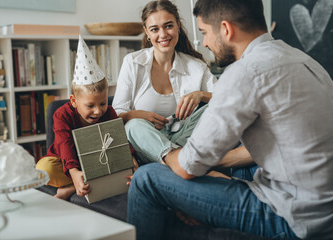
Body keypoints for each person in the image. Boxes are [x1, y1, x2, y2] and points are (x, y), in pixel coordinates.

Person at [127, 0, 333, 239]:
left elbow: (186, 167)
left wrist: (167, 157)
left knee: (146, 178)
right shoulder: (305, 60)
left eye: (204, 32)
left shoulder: (244, 73)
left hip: (294, 216)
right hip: (322, 206)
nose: (203, 42)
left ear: (225, 29)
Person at [112, 0, 217, 164]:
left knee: (213, 108)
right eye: (154, 29)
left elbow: (226, 99)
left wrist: (200, 95)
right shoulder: (132, 63)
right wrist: (139, 115)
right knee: (132, 126)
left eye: (168, 26)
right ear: (146, 32)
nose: (163, 34)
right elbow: (116, 116)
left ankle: (174, 159)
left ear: (178, 26)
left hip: (185, 137)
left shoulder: (197, 66)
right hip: (146, 142)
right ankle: (175, 159)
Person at [36, 36, 136, 200]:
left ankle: (71, 188)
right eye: (90, 106)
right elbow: (65, 145)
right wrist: (75, 173)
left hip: (99, 163)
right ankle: (78, 182)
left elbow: (120, 141)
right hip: (67, 164)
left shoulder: (109, 113)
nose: (98, 111)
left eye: (103, 103)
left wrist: (131, 160)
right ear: (74, 101)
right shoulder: (62, 115)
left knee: (124, 165)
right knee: (43, 169)